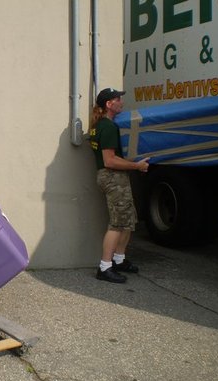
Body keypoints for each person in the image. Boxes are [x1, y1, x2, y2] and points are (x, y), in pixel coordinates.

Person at [89, 88, 149, 283]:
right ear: (109, 104)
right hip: (113, 177)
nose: (121, 102)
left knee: (128, 220)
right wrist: (136, 166)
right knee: (117, 223)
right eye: (118, 99)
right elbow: (110, 160)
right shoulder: (107, 127)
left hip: (114, 178)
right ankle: (105, 267)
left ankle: (119, 260)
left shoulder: (100, 125)